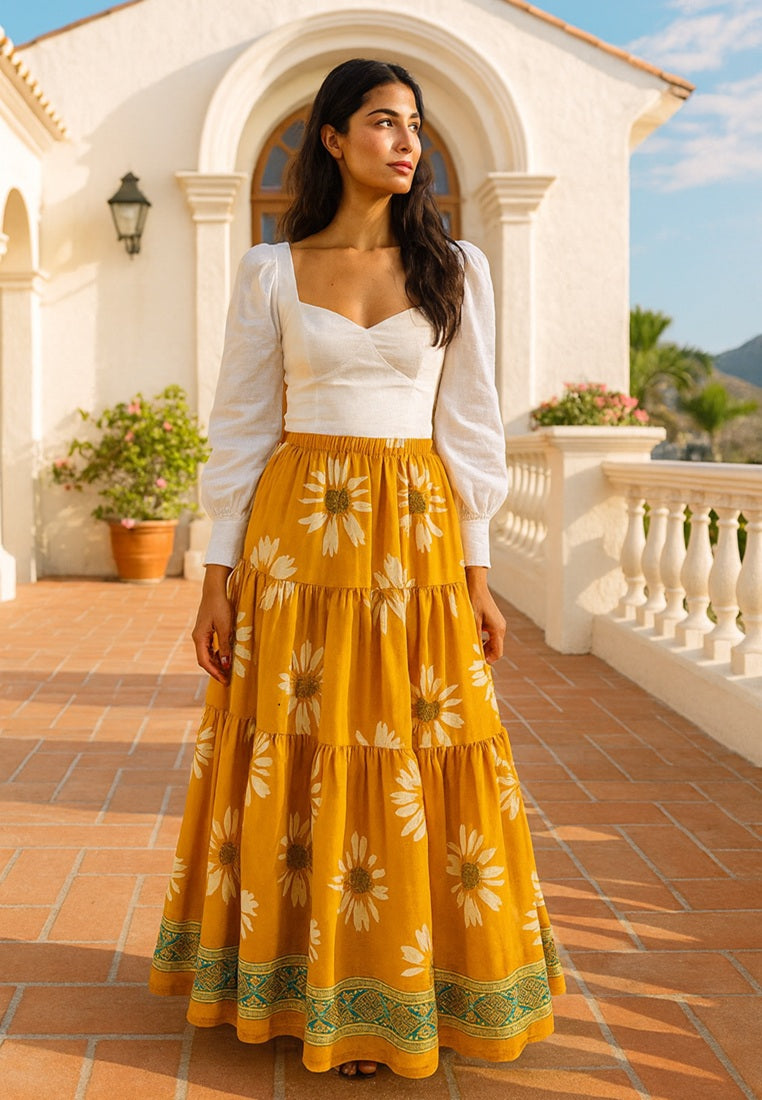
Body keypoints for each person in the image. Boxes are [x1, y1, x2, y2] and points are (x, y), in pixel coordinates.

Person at [149, 57, 565, 1080]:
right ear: (331, 138)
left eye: (414, 124)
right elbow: (241, 424)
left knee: (419, 753)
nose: (407, 140)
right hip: (297, 542)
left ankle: (396, 985)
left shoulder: (455, 266)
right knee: (300, 745)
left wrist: (476, 572)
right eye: (383, 121)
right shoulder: (269, 270)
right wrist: (215, 572)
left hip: (417, 544)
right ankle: (301, 984)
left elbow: (469, 430)